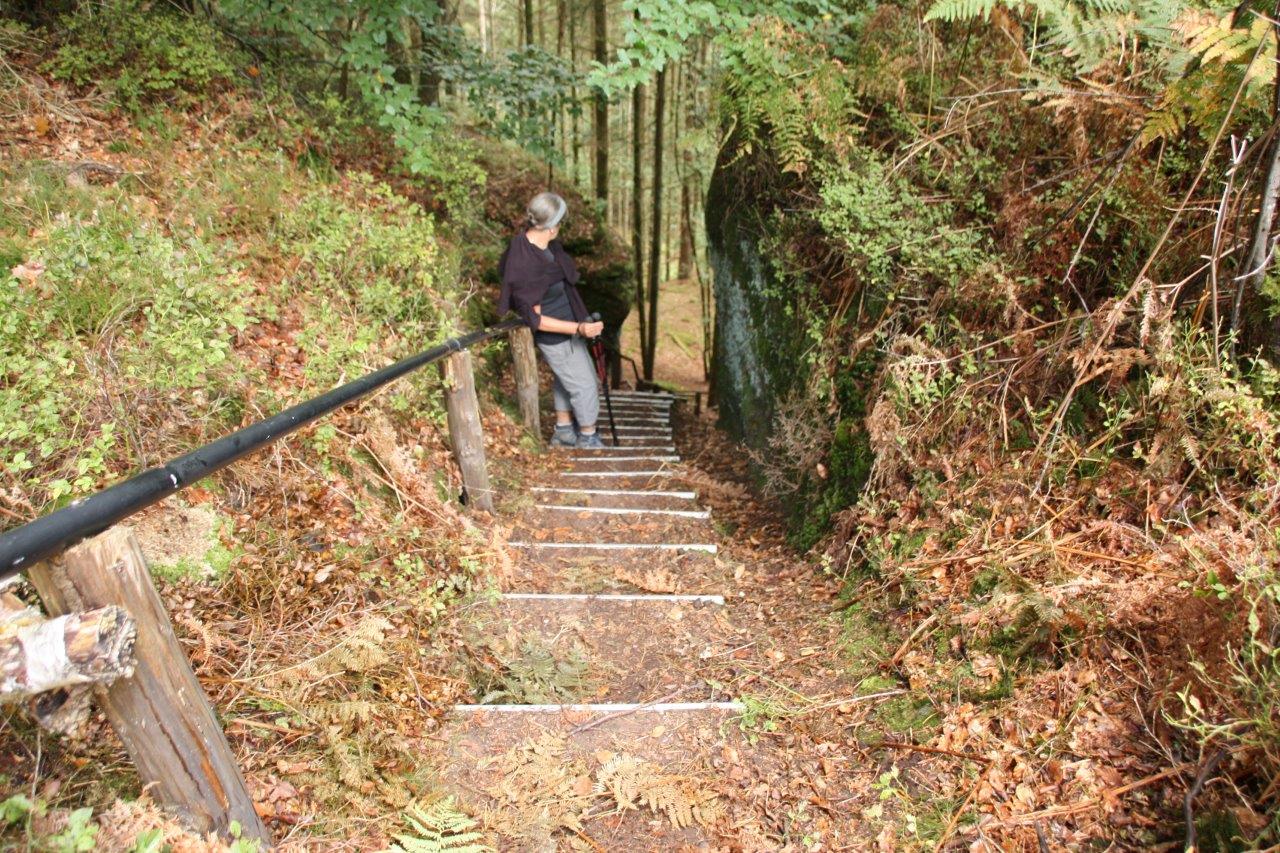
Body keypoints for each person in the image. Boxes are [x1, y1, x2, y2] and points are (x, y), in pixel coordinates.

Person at [497, 191, 606, 449]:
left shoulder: (544, 248)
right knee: (586, 384)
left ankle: (565, 431)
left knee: (566, 378)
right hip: (557, 335)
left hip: (570, 329)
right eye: (559, 221)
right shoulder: (525, 261)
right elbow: (536, 318)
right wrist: (579, 328)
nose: (560, 227)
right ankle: (588, 437)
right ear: (550, 225)